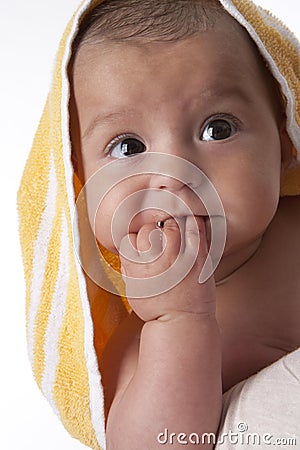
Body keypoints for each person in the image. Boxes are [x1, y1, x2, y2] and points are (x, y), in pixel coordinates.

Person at [18, 0, 300, 449]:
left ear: (285, 140)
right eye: (128, 147)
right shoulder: (146, 341)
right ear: (78, 186)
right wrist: (180, 320)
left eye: (218, 128)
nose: (176, 174)